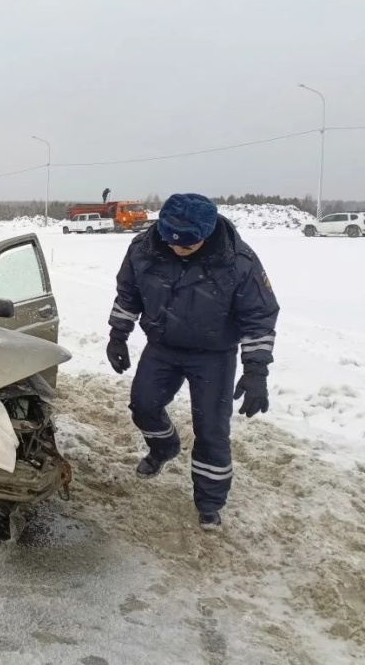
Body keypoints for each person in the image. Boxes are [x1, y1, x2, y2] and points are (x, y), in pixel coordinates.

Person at [106, 193, 278, 531]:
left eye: (188, 243)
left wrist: (256, 369)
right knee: (143, 406)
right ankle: (164, 447)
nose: (178, 248)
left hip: (214, 356)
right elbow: (128, 294)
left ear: (207, 232)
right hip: (163, 347)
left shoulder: (238, 261)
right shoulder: (143, 249)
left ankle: (209, 502)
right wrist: (118, 335)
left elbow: (259, 315)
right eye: (172, 241)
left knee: (212, 431)